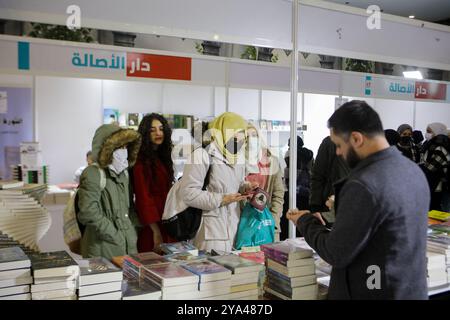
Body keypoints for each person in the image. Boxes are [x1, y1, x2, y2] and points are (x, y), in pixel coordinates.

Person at [287, 100, 430, 300]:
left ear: (356, 138)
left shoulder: (363, 184)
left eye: (339, 145)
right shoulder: (413, 171)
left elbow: (336, 252)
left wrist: (305, 221)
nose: (338, 152)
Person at [179, 112, 255, 253]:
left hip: (235, 229)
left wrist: (245, 188)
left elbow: (234, 185)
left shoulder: (237, 157)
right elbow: (188, 193)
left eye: (243, 134)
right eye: (239, 132)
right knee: (212, 271)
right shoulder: (202, 155)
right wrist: (221, 199)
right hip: (210, 232)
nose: (243, 138)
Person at [77, 123, 142, 260]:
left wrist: (132, 230)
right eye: (118, 147)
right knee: (105, 281)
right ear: (106, 149)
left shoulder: (124, 174)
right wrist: (115, 234)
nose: (123, 151)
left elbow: (129, 208)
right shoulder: (93, 173)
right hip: (101, 248)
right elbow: (88, 213)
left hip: (128, 246)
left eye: (125, 146)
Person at [133, 113, 175, 253]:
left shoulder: (162, 156)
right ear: (146, 134)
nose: (158, 133)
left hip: (167, 219)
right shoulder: (140, 161)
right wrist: (155, 231)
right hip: (152, 225)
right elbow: (143, 198)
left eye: (161, 129)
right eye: (152, 130)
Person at [245, 123, 284, 242]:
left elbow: (278, 194)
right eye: (247, 136)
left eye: (254, 135)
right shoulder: (238, 161)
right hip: (245, 222)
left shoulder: (272, 161)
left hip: (267, 221)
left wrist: (273, 218)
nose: (251, 139)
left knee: (269, 258)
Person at [281, 136, 314, 239]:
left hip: (292, 190)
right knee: (303, 217)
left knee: (290, 217)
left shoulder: (289, 153)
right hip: (306, 191)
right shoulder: (309, 155)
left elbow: (287, 173)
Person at [309, 136, 350, 215]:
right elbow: (317, 175)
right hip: (330, 204)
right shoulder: (330, 142)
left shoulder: (368, 144)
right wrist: (315, 207)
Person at [420, 122, 450, 211]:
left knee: (433, 211)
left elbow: (431, 168)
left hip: (436, 186)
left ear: (437, 132)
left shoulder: (441, 147)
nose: (427, 134)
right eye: (426, 131)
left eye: (429, 131)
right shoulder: (429, 144)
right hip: (428, 184)